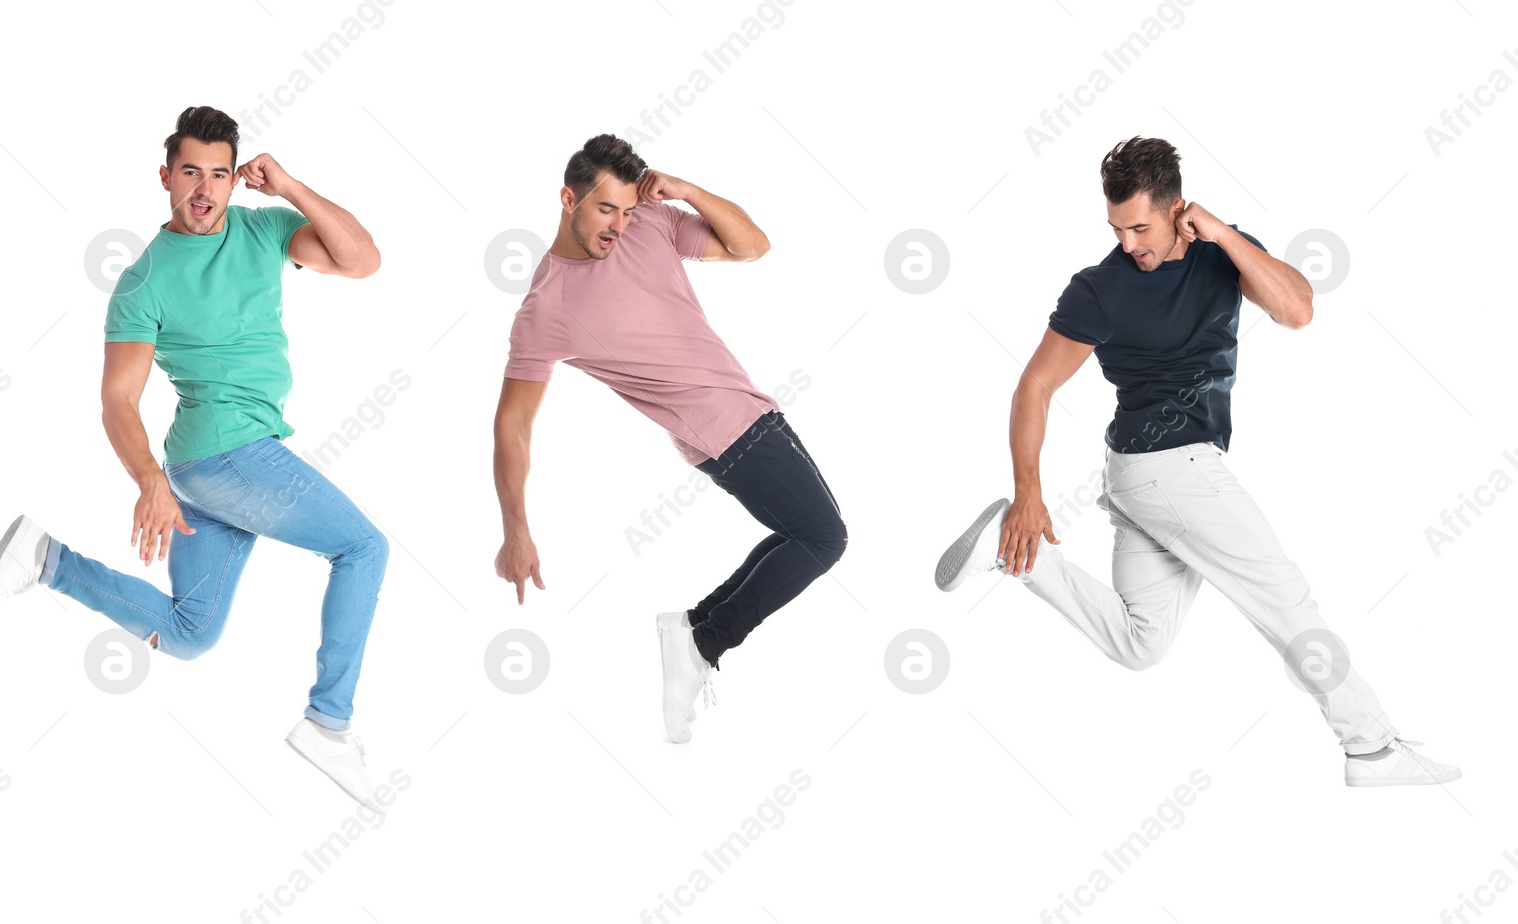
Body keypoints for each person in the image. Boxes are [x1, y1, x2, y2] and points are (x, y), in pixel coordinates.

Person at [935, 136, 1458, 787]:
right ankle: (1372, 747)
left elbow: (1297, 309)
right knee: (1285, 599)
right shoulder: (1098, 290)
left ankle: (1021, 558)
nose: (1129, 244)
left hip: (1142, 476)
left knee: (1140, 643)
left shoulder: (1218, 249)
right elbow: (1033, 388)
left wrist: (1222, 235)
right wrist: (1028, 494)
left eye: (1140, 226)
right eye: (1117, 228)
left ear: (1177, 208)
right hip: (1170, 468)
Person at [0, 106, 391, 809]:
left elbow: (363, 260)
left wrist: (290, 186)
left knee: (190, 634)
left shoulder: (264, 230)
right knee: (363, 548)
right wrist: (147, 480)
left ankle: (44, 558)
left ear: (233, 182)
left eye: (219, 174)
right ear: (165, 177)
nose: (205, 187)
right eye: (190, 171)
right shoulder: (144, 280)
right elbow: (118, 402)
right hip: (229, 455)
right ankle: (328, 723)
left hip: (218, 467)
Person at [493, 134, 847, 743]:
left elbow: (752, 246)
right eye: (606, 209)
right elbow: (512, 424)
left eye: (628, 209)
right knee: (823, 537)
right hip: (724, 428)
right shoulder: (545, 309)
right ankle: (702, 641)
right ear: (567, 199)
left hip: (742, 413)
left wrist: (685, 190)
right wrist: (515, 529)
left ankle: (692, 633)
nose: (618, 225)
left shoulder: (649, 224)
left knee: (801, 535)